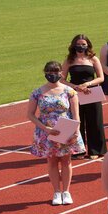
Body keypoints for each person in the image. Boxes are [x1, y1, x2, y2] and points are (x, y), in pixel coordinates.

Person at [29, 61, 86, 205]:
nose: (52, 75)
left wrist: (75, 130)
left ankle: (66, 191)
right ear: (45, 73)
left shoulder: (69, 91)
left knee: (66, 161)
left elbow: (75, 113)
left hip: (66, 129)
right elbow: (30, 114)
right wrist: (45, 128)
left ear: (61, 73)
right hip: (47, 131)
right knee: (52, 161)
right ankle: (56, 192)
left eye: (55, 72)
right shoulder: (37, 92)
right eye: (49, 72)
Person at [61, 35, 107, 159]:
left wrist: (87, 84)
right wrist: (75, 87)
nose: (81, 46)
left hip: (91, 92)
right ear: (73, 45)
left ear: (88, 45)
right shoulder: (69, 60)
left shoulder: (93, 59)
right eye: (78, 44)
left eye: (83, 44)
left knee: (95, 121)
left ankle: (96, 150)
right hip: (74, 94)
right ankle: (78, 150)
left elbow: (101, 77)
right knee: (76, 121)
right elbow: (62, 79)